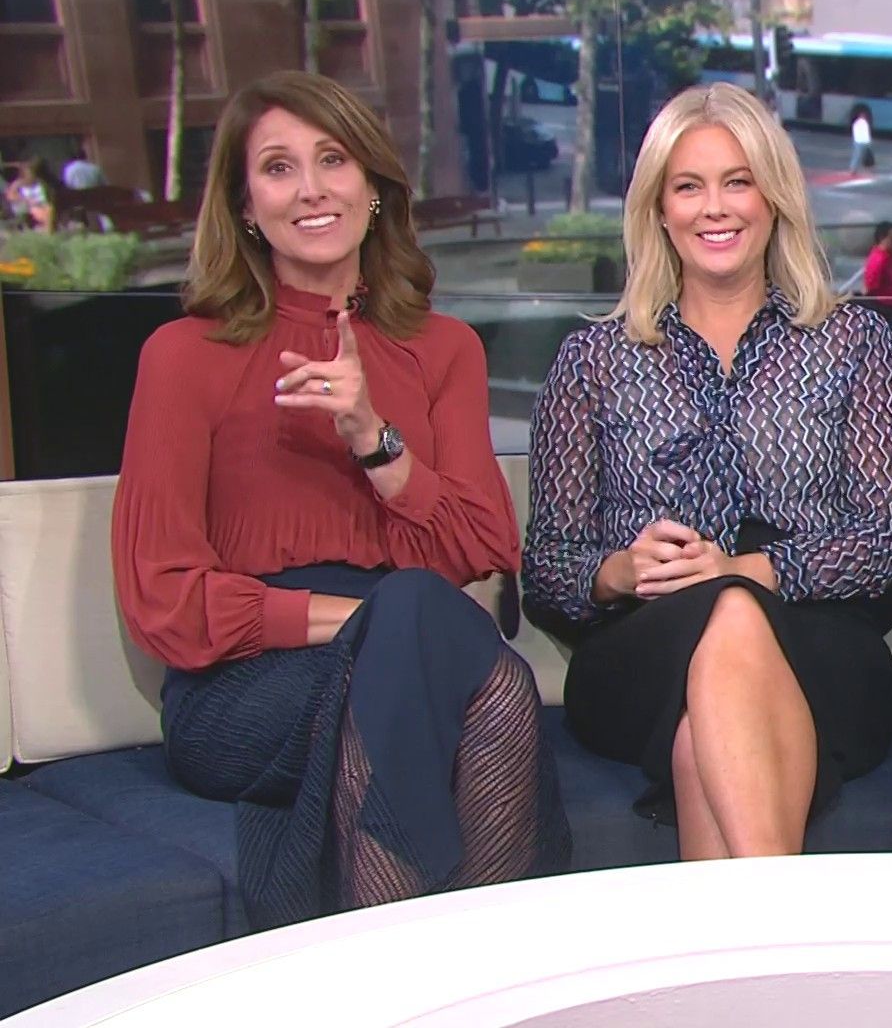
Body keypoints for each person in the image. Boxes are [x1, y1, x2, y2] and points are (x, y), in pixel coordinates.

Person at [109, 70, 570, 929]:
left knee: (455, 659)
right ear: (247, 206)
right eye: (278, 168)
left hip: (414, 641)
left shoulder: (443, 350)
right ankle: (455, 970)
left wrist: (372, 439)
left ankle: (438, 974)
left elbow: (482, 548)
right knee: (463, 664)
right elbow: (163, 600)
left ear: (373, 187)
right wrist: (362, 621)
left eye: (333, 160)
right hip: (247, 684)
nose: (312, 188)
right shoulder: (184, 355)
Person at [523, 81, 892, 862]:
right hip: (642, 648)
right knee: (723, 625)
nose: (715, 208)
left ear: (773, 198)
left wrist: (743, 572)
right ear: (658, 209)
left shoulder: (852, 342)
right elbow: (545, 567)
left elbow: (887, 540)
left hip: (821, 646)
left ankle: (745, 935)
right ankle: (776, 923)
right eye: (689, 187)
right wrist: (620, 571)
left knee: (699, 730)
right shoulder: (592, 360)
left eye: (738, 182)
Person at [863, 220, 892, 349]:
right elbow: (870, 287)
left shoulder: (888, 257)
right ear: (882, 238)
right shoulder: (878, 259)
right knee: (889, 344)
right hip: (886, 309)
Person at [5, 159, 54, 230]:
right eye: (28, 173)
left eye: (32, 173)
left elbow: (46, 196)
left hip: (40, 203)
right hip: (25, 205)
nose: (30, 175)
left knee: (48, 208)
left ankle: (47, 227)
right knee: (36, 210)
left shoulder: (40, 182)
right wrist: (25, 199)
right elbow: (10, 196)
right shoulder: (18, 184)